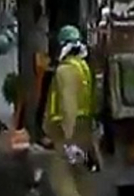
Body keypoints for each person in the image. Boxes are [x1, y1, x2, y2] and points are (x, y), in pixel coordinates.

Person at [43, 25, 97, 196]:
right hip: (83, 129)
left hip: (66, 133)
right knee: (81, 179)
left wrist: (68, 140)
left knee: (61, 180)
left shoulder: (65, 70)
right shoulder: (83, 67)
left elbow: (68, 104)